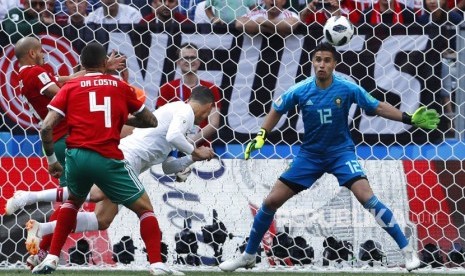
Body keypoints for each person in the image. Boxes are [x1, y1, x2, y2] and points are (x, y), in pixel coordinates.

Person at [218, 42, 440, 272]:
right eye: (318, 59)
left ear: (334, 63)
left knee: (367, 198)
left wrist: (408, 118)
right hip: (310, 156)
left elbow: (377, 107)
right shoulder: (301, 89)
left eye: (326, 60)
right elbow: (277, 108)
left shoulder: (347, 88)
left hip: (340, 154)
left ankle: (408, 252)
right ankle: (249, 255)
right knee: (270, 202)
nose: (321, 64)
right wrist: (262, 135)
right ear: (312, 62)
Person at [30, 42, 183, 275]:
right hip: (108, 158)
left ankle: (51, 257)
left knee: (73, 202)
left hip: (77, 156)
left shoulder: (71, 86)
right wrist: (122, 117)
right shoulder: (120, 86)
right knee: (145, 209)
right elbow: (151, 121)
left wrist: (51, 160)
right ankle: (157, 265)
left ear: (81, 65)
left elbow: (45, 127)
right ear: (104, 63)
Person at [24, 86, 216, 268]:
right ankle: (30, 197)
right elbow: (173, 137)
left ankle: (42, 230)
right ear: (208, 108)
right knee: (133, 205)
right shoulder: (184, 111)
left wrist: (191, 158)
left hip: (125, 158)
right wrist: (196, 151)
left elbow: (168, 166)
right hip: (125, 157)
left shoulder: (178, 120)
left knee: (102, 219)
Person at [156, 43, 221, 148]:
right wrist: (179, 141)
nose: (189, 61)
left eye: (193, 57)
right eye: (185, 58)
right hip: (172, 148)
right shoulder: (166, 88)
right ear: (178, 62)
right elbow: (162, 121)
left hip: (202, 148)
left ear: (199, 61)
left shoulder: (211, 88)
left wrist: (192, 140)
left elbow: (214, 123)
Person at [235, 0, 300, 37]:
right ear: (264, 1)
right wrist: (274, 29)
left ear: (284, 1)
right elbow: (239, 24)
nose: (273, 0)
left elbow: (289, 26)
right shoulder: (257, 14)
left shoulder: (290, 14)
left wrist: (264, 22)